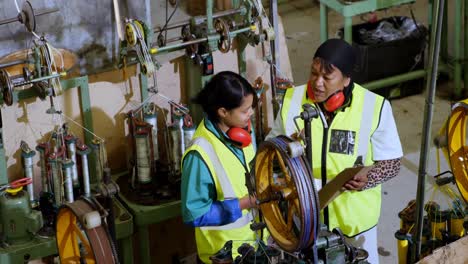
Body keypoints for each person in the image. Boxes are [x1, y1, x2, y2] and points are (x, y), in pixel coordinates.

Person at [268, 38, 403, 263]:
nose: (317, 83)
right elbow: (270, 151)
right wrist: (286, 147)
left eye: (327, 77)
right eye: (313, 73)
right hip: (305, 222)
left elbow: (392, 163)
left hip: (355, 227)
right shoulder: (292, 101)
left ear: (346, 80)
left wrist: (368, 179)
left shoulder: (375, 107)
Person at [181, 71, 261, 263]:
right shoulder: (200, 153)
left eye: (251, 108)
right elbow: (194, 214)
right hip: (224, 256)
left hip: (255, 247)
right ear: (223, 112)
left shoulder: (243, 133)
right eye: (244, 110)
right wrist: (244, 203)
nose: (250, 113)